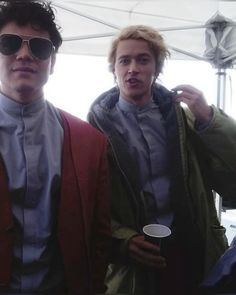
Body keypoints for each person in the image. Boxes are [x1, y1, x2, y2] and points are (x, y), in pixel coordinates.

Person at [87, 24, 236, 295]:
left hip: (191, 250)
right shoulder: (95, 131)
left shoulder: (185, 120)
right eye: (124, 60)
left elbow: (231, 173)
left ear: (157, 68)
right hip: (134, 262)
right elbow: (89, 204)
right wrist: (122, 240)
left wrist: (209, 118)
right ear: (114, 69)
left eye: (143, 59)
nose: (133, 68)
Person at [0, 1, 110, 294]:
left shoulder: (90, 142)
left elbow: (99, 237)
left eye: (39, 47)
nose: (24, 54)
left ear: (53, 62)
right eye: (10, 43)